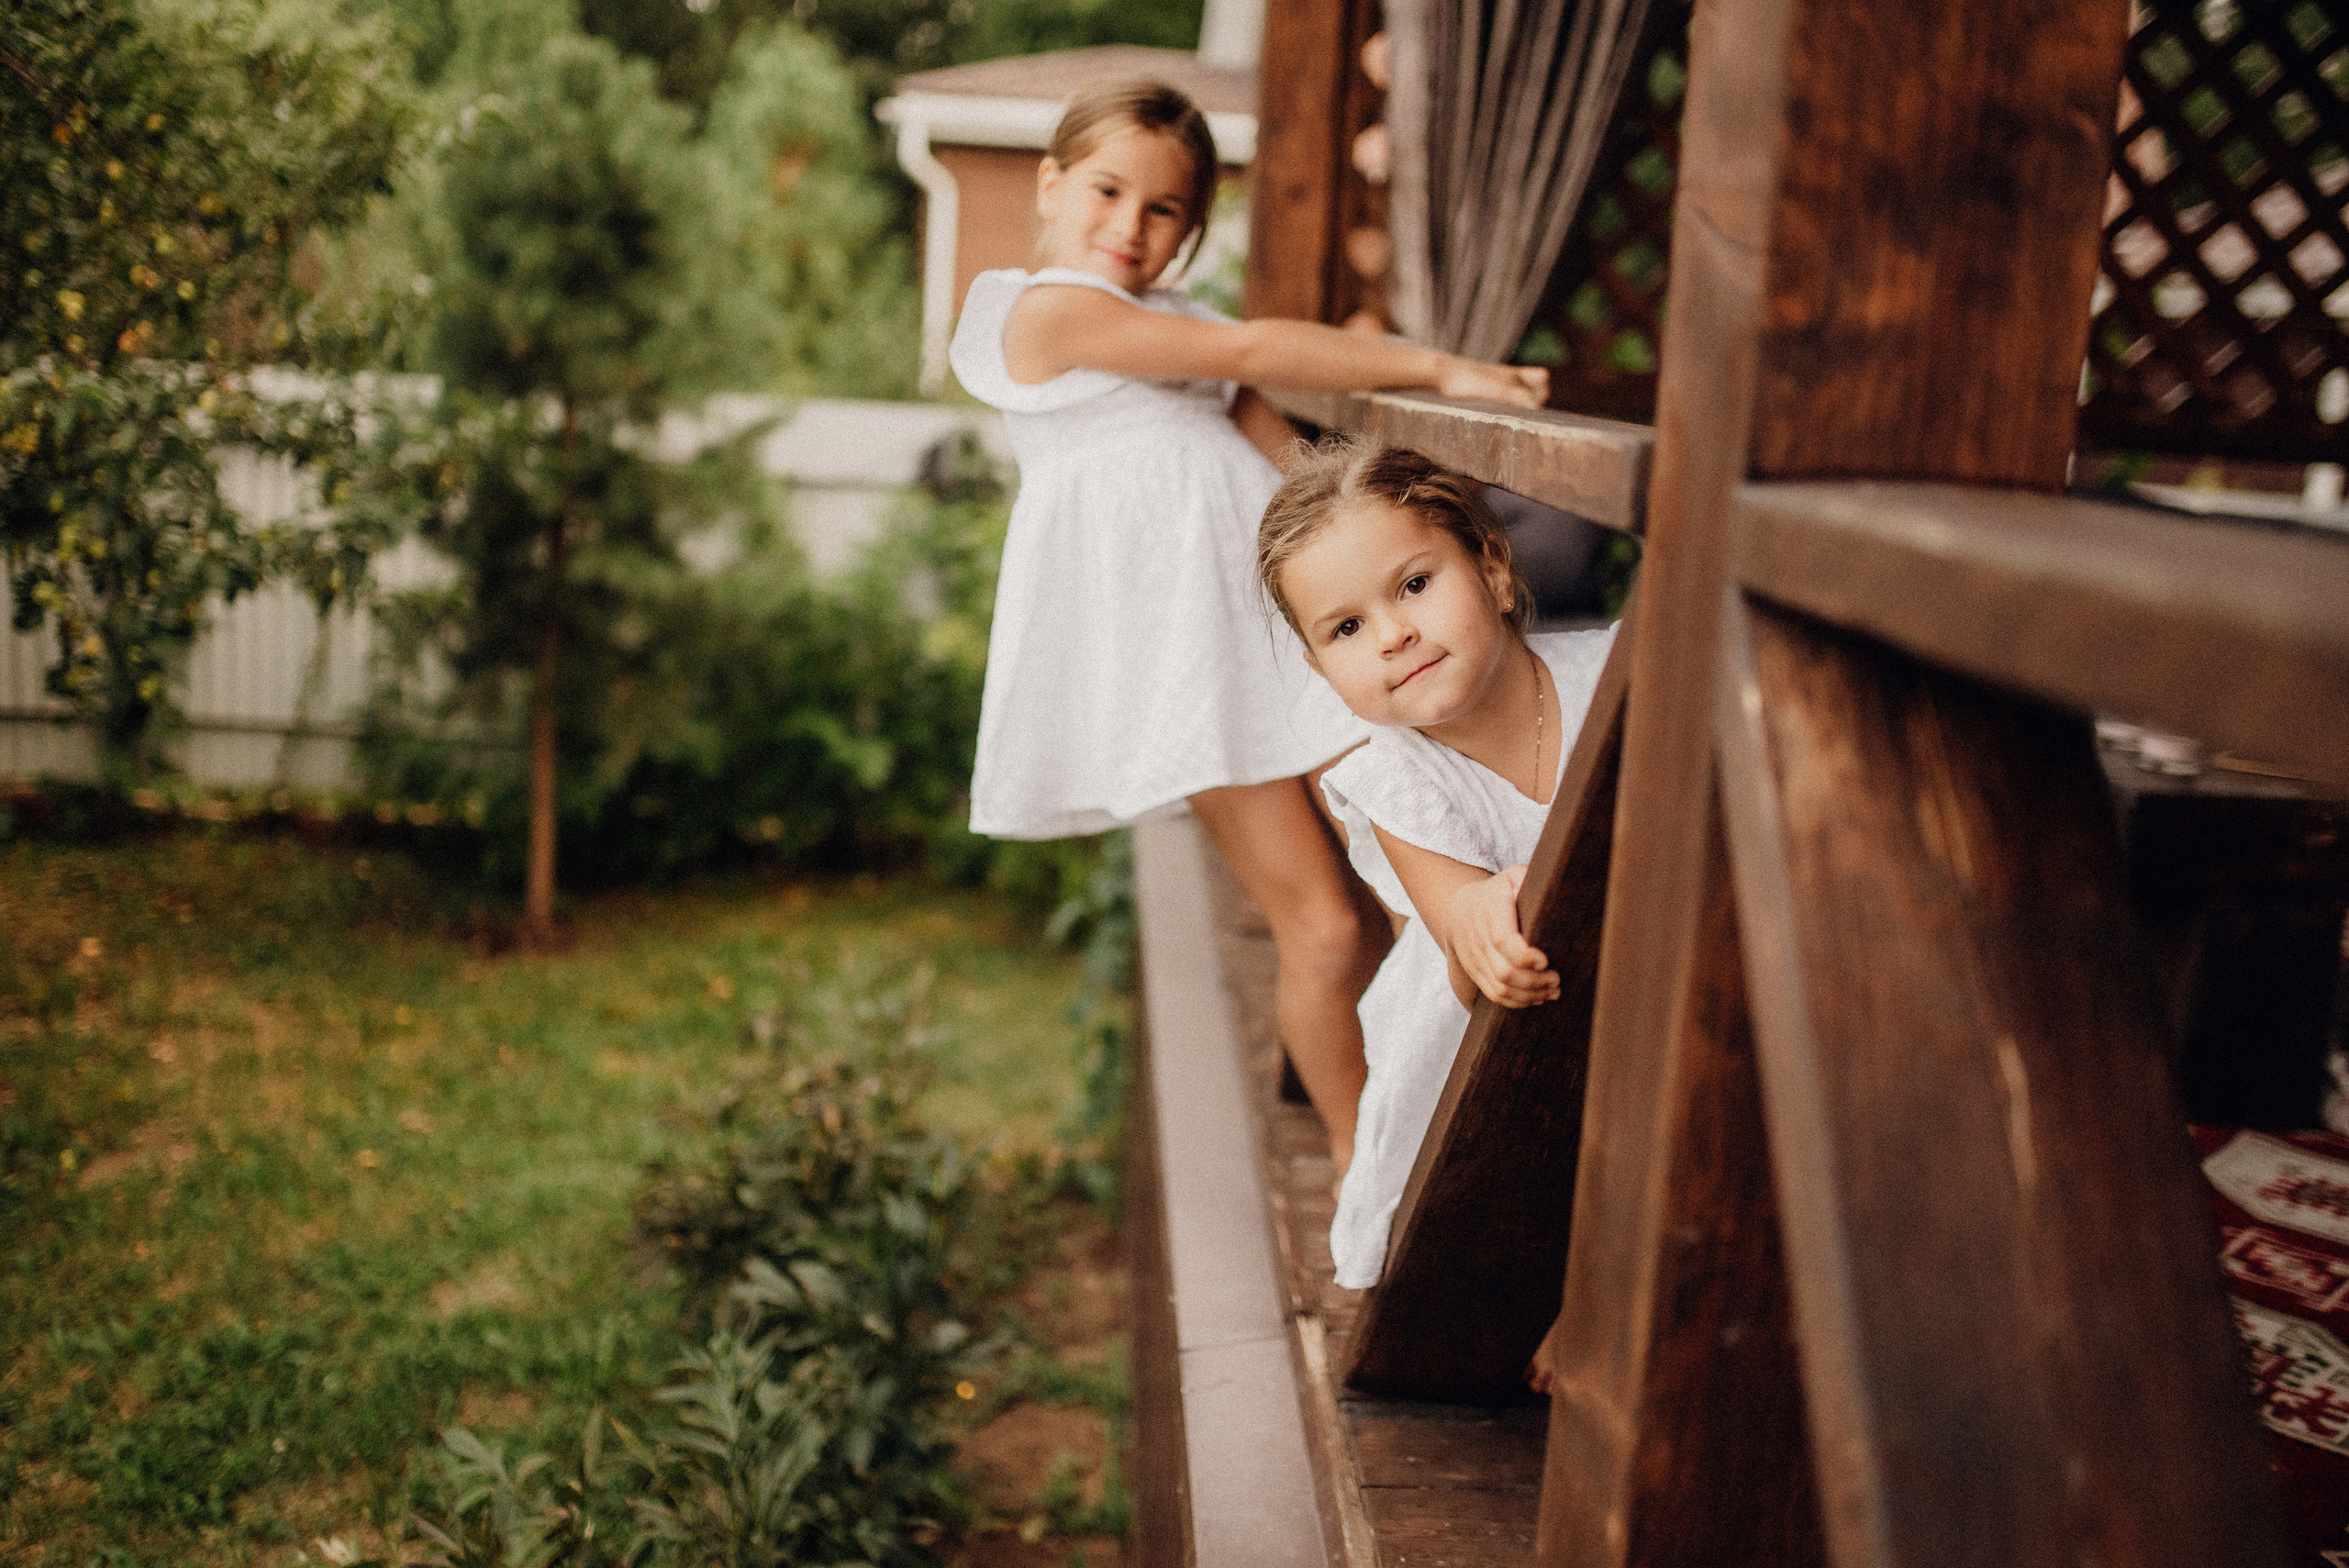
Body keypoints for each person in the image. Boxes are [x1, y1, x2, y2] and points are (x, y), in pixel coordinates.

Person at [947, 78, 1547, 1175]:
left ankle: (1453, 1122)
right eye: (1106, 190)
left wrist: (1413, 544)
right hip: (1188, 666)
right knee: (1321, 923)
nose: (1129, 226)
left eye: (1165, 208)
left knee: (1407, 878)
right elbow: (1258, 353)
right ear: (1049, 185)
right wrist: (1439, 367)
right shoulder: (1045, 311)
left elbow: (1298, 480)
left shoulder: (1168, 327)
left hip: (1300, 651)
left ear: (1192, 227)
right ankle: (1368, 1164)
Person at [1255, 440, 1616, 1291]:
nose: (1395, 634)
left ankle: (1605, 1281)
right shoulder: (1390, 772)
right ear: (1321, 671)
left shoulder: (1613, 678)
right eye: (1346, 628)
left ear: (1493, 570)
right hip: (1484, 1020)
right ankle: (1568, 1287)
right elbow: (1451, 910)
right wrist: (1484, 910)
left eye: (1415, 585)